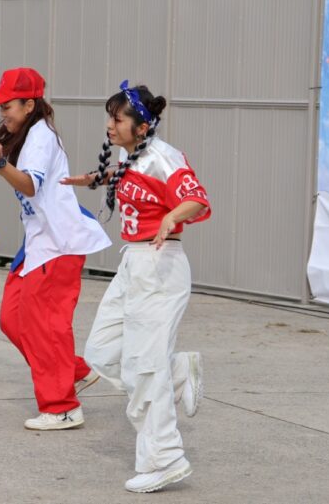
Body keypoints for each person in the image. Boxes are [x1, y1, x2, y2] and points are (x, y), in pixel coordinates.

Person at [62, 80, 211, 493]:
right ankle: (178, 370)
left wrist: (170, 217)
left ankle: (165, 457)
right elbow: (127, 176)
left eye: (118, 118)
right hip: (135, 263)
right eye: (110, 117)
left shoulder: (165, 157)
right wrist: (91, 179)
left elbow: (196, 199)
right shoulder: (136, 157)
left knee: (145, 368)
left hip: (160, 266)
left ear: (141, 126)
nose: (110, 125)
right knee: (102, 352)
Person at [0, 67, 112, 430]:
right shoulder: (30, 135)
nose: (3, 113)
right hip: (37, 244)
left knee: (45, 325)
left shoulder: (41, 138)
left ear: (29, 104)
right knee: (12, 319)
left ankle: (61, 407)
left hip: (58, 244)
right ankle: (74, 371)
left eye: (8, 106)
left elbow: (30, 186)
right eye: (0, 107)